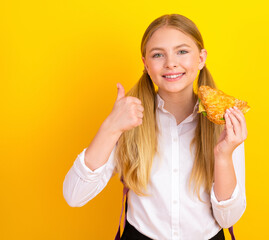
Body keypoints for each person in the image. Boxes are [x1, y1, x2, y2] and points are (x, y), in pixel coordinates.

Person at [63, 14, 247, 240]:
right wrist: (110, 127)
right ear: (146, 64)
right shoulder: (127, 119)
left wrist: (223, 156)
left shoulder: (224, 123)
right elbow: (74, 195)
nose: (171, 62)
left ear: (201, 58)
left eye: (182, 51)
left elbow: (228, 219)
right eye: (158, 54)